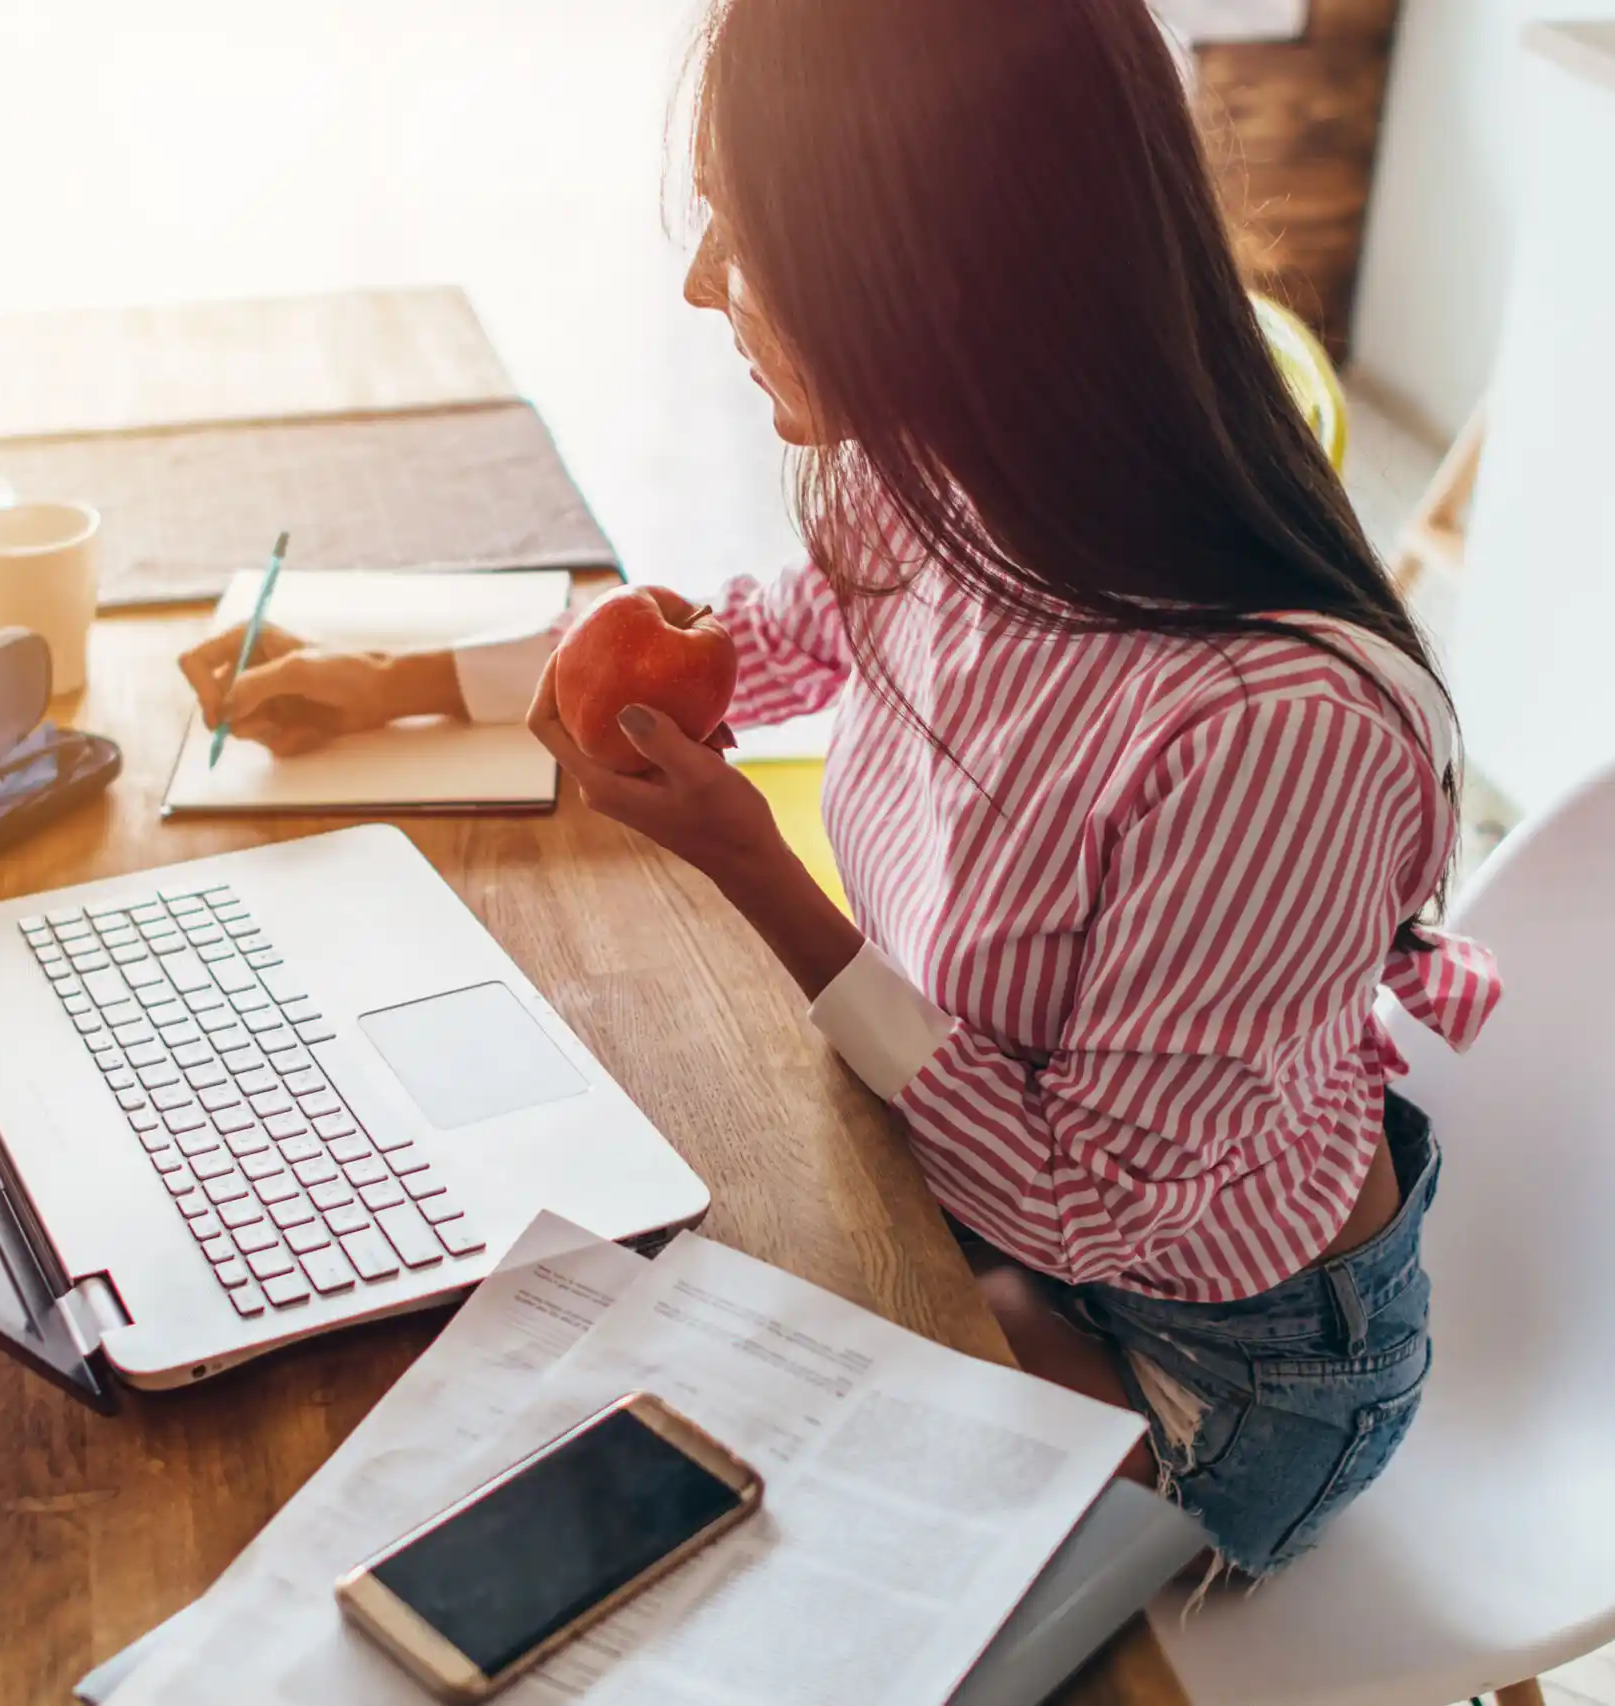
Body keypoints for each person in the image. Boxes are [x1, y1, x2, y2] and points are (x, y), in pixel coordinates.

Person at [176, 0, 1498, 1580]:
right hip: (987, 1214)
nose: (696, 284)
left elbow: (1090, 1212)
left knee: (719, 1550)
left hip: (1212, 1363)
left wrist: (762, 877)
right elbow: (765, 642)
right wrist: (395, 679)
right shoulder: (948, 468)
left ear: (929, 258)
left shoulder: (1276, 732)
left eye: (747, 229)